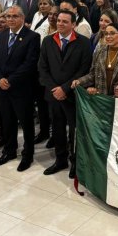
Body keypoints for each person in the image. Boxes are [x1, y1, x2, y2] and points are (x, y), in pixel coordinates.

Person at [38, 10, 92, 178]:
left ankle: (75, 161)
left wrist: (65, 88)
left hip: (73, 94)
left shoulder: (83, 43)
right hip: (53, 94)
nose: (60, 23)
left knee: (74, 131)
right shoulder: (48, 41)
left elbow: (84, 69)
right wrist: (55, 88)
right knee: (58, 129)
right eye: (59, 20)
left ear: (73, 24)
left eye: (65, 21)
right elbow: (42, 68)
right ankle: (60, 159)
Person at [0, 6, 41, 171]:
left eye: (14, 16)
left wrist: (10, 80)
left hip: (21, 88)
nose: (10, 19)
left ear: (22, 18)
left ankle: (28, 154)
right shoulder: (1, 35)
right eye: (8, 16)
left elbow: (30, 64)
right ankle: (9, 151)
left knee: (26, 123)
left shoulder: (32, 37)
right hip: (3, 88)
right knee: (8, 121)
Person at [73, 22, 118, 95]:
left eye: (112, 33)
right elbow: (92, 74)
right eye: (106, 34)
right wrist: (79, 81)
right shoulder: (99, 51)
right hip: (101, 98)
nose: (108, 36)